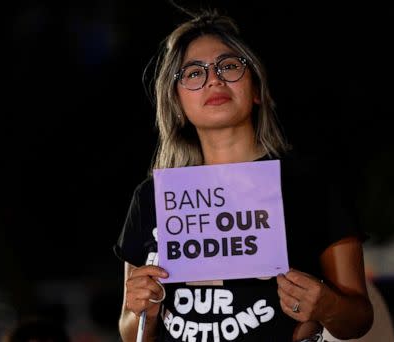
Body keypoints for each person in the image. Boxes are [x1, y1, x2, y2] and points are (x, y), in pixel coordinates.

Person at [113, 7, 374, 342]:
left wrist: (326, 305)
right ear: (175, 102)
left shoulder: (311, 186)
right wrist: (139, 309)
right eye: (194, 73)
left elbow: (359, 319)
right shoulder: (151, 197)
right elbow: (130, 330)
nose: (214, 79)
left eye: (229, 66)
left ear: (256, 90)